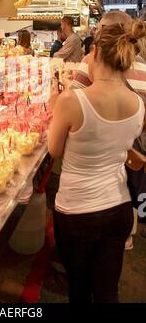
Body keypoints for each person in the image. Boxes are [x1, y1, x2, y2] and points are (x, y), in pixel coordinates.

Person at [48, 20, 146, 303]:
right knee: (107, 291)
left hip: (77, 210)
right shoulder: (139, 105)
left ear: (97, 53)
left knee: (79, 289)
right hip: (119, 209)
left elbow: (55, 150)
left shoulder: (72, 100)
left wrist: (55, 107)